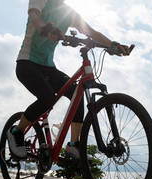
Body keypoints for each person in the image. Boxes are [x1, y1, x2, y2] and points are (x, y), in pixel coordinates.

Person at [8, 0, 129, 159]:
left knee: (76, 94)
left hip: (48, 67)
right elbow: (34, 17)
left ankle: (73, 145)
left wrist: (113, 45)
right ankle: (16, 131)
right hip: (26, 63)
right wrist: (47, 29)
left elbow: (91, 32)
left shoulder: (69, 12)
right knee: (47, 98)